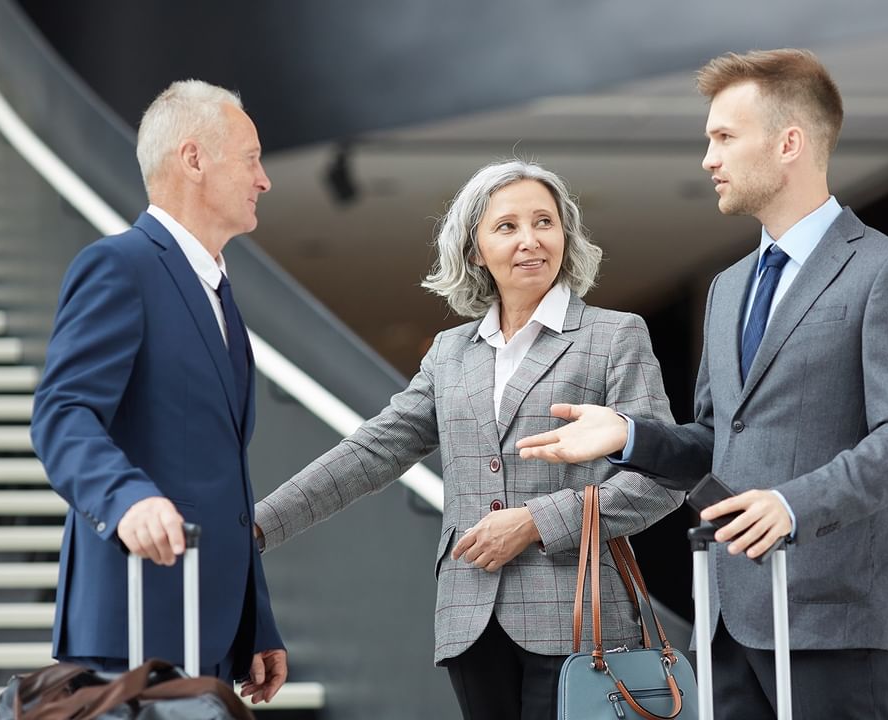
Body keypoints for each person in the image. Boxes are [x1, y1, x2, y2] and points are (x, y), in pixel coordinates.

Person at [517, 49, 888, 718]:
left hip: (831, 624)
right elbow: (720, 443)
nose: (708, 159)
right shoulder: (728, 288)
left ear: (789, 143)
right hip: (727, 622)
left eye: (724, 137)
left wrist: (793, 504)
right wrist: (629, 436)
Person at [253, 159, 682, 720]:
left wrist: (535, 522)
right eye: (507, 227)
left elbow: (661, 479)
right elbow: (372, 451)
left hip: (579, 622)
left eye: (544, 222)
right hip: (470, 619)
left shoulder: (614, 336)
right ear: (475, 249)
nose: (530, 240)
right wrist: (258, 525)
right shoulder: (450, 352)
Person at [30, 80, 287, 703]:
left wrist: (257, 620)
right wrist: (125, 501)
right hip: (133, 616)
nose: (265, 180)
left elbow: (224, 475)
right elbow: (62, 414)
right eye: (251, 158)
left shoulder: (220, 293)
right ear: (194, 159)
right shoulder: (119, 266)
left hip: (212, 627)